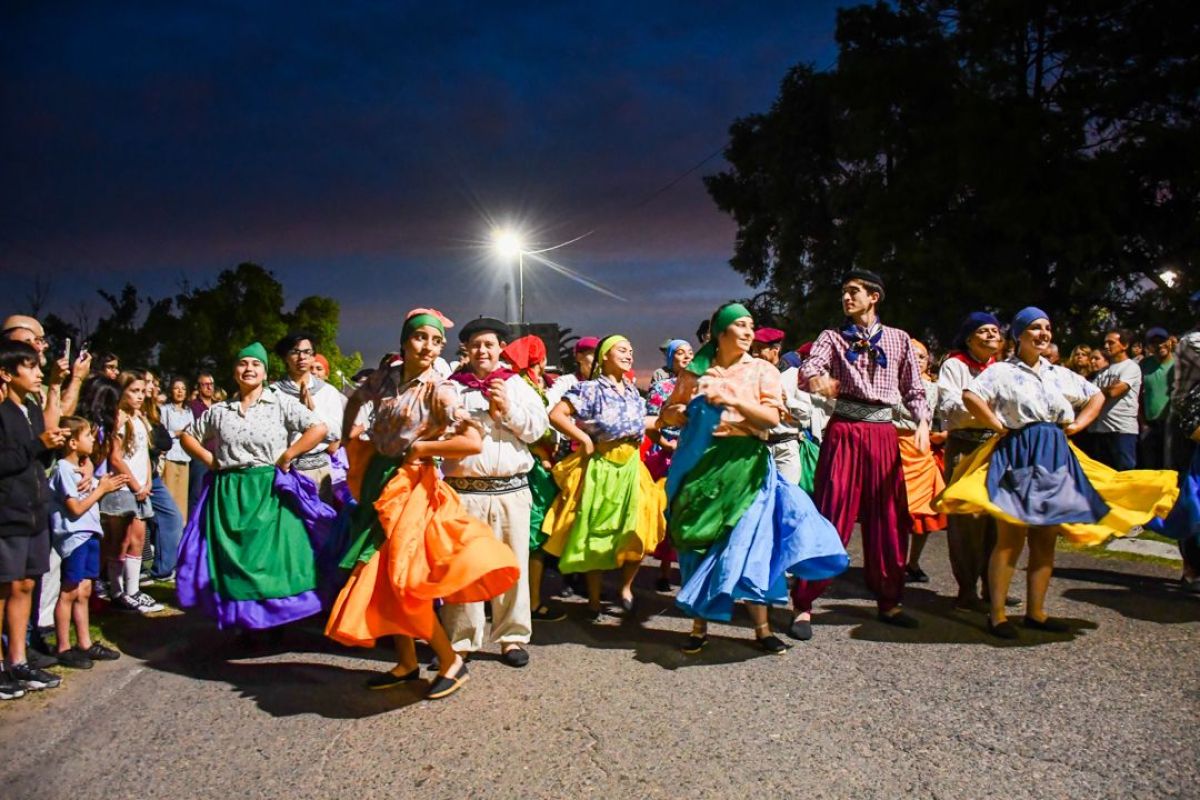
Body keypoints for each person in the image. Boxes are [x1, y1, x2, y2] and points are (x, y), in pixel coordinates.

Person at [940, 307, 1178, 638]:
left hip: (1055, 452)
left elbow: (1095, 395)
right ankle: (997, 615)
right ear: (1019, 334)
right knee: (1011, 537)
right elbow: (970, 395)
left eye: (1047, 327)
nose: (1043, 333)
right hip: (1019, 451)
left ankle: (1036, 611)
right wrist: (998, 426)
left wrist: (1079, 423)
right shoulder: (1002, 372)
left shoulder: (1058, 373)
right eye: (1035, 328)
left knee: (1045, 538)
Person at [326, 309, 520, 701]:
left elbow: (472, 441)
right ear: (404, 341)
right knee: (385, 574)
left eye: (435, 341)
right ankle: (406, 662)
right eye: (420, 338)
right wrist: (352, 436)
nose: (428, 347)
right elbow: (355, 402)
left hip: (412, 486)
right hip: (381, 480)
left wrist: (422, 447)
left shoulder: (440, 389)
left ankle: (451, 661)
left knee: (401, 574)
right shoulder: (384, 381)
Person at [659, 303, 847, 653]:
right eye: (740, 326)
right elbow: (666, 413)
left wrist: (731, 400)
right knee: (698, 543)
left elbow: (769, 420)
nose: (748, 332)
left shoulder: (762, 369)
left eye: (750, 326)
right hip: (702, 464)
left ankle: (761, 629)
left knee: (750, 545)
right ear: (721, 333)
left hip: (748, 464)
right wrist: (684, 412)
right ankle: (698, 625)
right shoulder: (697, 372)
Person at [790, 270, 930, 633]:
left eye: (854, 292)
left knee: (888, 516)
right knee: (831, 511)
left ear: (874, 297)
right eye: (844, 292)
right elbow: (810, 367)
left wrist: (924, 426)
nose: (846, 298)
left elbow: (915, 389)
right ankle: (804, 603)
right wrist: (817, 379)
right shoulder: (832, 337)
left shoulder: (899, 340)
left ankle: (889, 600)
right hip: (845, 431)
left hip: (883, 433)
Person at [176, 342, 330, 632]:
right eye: (243, 363)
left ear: (265, 371)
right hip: (229, 492)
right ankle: (243, 623)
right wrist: (210, 460)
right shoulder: (221, 411)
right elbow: (188, 436)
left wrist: (288, 454)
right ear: (234, 371)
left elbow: (318, 428)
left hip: (267, 490)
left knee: (271, 559)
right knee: (235, 560)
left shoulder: (280, 403)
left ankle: (274, 622)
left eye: (256, 364)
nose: (249, 369)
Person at [439, 321, 551, 668]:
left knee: (512, 564)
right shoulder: (452, 389)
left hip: (511, 491)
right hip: (464, 492)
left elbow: (538, 431)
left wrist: (509, 411)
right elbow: (438, 431)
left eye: (489, 344)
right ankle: (461, 640)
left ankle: (512, 637)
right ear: (466, 350)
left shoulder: (517, 386)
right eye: (475, 345)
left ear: (501, 347)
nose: (482, 351)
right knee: (464, 568)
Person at [542, 335, 666, 620]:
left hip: (633, 465)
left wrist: (666, 420)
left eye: (631, 350)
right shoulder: (589, 389)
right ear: (605, 356)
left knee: (640, 527)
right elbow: (557, 414)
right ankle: (595, 601)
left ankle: (625, 587)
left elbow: (643, 423)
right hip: (603, 467)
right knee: (596, 533)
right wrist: (583, 437)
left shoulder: (634, 392)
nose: (629, 354)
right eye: (622, 349)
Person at [0, 340, 65, 695]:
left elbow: (35, 460)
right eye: (30, 366)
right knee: (3, 588)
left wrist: (48, 444)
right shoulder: (2, 412)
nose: (39, 372)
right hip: (8, 513)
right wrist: (37, 445)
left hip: (34, 512)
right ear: (7, 374)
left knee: (26, 585)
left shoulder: (31, 409)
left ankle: (18, 660)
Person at [936, 312, 1004, 610]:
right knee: (967, 519)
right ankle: (967, 588)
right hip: (965, 444)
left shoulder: (1003, 368)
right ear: (969, 338)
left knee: (998, 518)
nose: (991, 335)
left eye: (995, 330)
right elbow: (950, 405)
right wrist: (984, 409)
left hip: (997, 445)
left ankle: (994, 585)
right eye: (984, 331)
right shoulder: (955, 366)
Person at [499, 333, 568, 623]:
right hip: (535, 469)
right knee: (533, 537)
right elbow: (538, 431)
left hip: (534, 466)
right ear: (537, 359)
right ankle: (531, 603)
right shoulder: (523, 387)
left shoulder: (522, 385)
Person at [48, 416, 124, 668]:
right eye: (88, 436)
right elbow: (76, 508)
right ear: (71, 442)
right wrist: (101, 489)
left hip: (89, 533)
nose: (93, 440)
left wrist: (101, 485)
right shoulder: (62, 470)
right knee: (69, 591)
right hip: (74, 535)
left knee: (85, 590)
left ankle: (84, 642)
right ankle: (63, 646)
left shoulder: (81, 468)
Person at [94, 373, 163, 614]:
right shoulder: (120, 420)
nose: (140, 396)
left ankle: (133, 590)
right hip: (123, 488)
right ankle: (116, 590)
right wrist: (135, 485)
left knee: (138, 539)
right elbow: (116, 457)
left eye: (143, 391)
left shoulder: (140, 418)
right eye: (134, 391)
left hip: (141, 488)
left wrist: (146, 482)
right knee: (119, 541)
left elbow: (144, 454)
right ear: (122, 392)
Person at [272, 332, 347, 502]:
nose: (302, 357)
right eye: (295, 352)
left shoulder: (327, 392)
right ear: (285, 357)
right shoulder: (274, 393)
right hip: (284, 470)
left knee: (320, 523)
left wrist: (313, 411)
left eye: (307, 352)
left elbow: (336, 432)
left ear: (314, 357)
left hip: (318, 470)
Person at [897, 339, 946, 583]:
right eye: (912, 355)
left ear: (929, 362)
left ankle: (913, 562)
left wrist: (942, 435)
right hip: (895, 448)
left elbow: (941, 419)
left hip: (923, 452)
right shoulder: (893, 384)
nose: (917, 360)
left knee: (926, 511)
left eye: (922, 356)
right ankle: (892, 561)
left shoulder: (936, 388)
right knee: (895, 511)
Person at [645, 338, 692, 591]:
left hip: (694, 454)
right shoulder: (662, 387)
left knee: (690, 512)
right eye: (680, 353)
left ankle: (687, 570)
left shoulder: (701, 387)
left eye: (690, 352)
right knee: (668, 511)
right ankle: (664, 570)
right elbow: (651, 421)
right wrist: (666, 444)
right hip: (667, 453)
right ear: (670, 359)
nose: (686, 357)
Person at [2, 314, 89, 428]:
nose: (42, 346)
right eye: (30, 342)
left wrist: (63, 381)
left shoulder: (39, 388)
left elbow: (58, 418)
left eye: (40, 340)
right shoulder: (7, 392)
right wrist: (77, 378)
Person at [1085, 329, 1142, 470]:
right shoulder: (1103, 372)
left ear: (1124, 345)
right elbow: (1087, 395)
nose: (1106, 346)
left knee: (1124, 475)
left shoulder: (1131, 367)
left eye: (1111, 342)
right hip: (1100, 431)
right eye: (1105, 343)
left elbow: (1114, 391)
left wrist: (1099, 391)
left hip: (1122, 431)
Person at [1138, 328, 1174, 470]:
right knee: (1150, 467)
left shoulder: (1180, 363)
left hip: (1173, 425)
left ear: (1170, 342)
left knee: (1170, 466)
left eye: (1162, 341)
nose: (1159, 345)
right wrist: (1142, 420)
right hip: (1149, 425)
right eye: (1154, 343)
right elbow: (1138, 394)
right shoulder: (1144, 365)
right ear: (1149, 347)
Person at [160, 378, 194, 523]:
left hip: (185, 457)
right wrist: (177, 433)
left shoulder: (188, 412)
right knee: (169, 496)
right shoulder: (165, 410)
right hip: (170, 457)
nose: (180, 391)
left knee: (182, 498)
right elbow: (160, 435)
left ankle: (181, 529)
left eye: (183, 388)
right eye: (176, 388)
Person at [187, 370, 217, 512]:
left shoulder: (218, 407)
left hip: (217, 455)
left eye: (211, 384)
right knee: (197, 493)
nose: (209, 387)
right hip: (200, 456)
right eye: (205, 385)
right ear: (199, 387)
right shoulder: (192, 406)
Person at [546, 336, 598, 409]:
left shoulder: (609, 383)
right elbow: (548, 405)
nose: (598, 360)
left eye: (601, 356)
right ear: (579, 357)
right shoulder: (565, 382)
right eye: (594, 355)